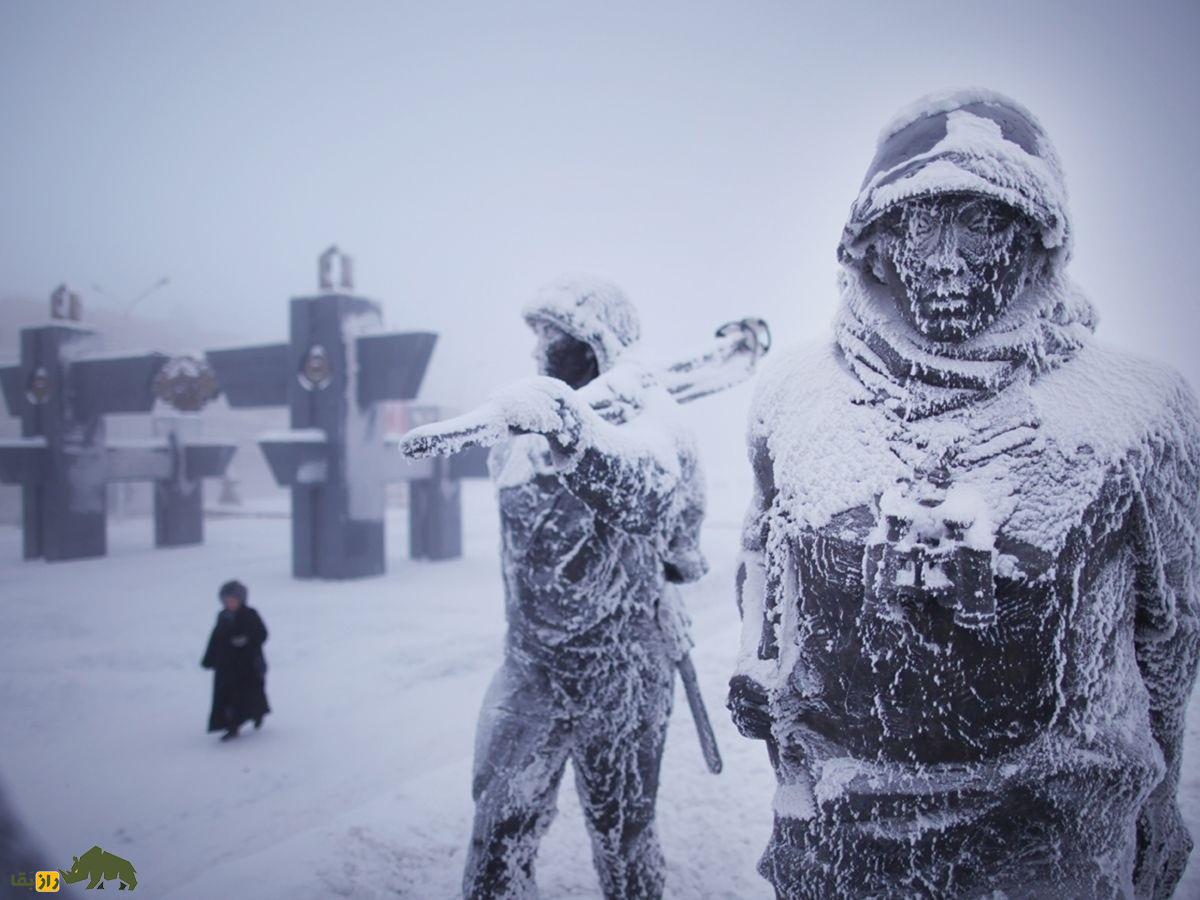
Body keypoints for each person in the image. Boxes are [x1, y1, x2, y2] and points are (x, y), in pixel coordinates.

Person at [728, 89, 1200, 898]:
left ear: (1034, 237)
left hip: (1054, 848)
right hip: (839, 844)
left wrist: (1157, 799)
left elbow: (1172, 636)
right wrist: (761, 676)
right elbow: (764, 566)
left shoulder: (1139, 413)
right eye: (921, 223)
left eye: (980, 223)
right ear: (877, 241)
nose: (947, 259)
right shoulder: (793, 396)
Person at [452, 277, 706, 899]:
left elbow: (666, 521)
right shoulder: (517, 435)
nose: (544, 351)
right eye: (541, 339)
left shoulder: (656, 424)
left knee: (625, 841)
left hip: (625, 673)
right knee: (497, 839)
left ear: (599, 342)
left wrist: (581, 435)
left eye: (558, 338)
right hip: (531, 667)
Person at [202, 580, 270, 742]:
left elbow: (262, 634)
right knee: (227, 697)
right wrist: (209, 658)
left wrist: (246, 640)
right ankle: (232, 727)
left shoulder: (250, 614)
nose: (230, 604)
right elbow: (215, 638)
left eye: (233, 600)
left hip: (248, 665)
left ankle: (257, 714)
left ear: (241, 599)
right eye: (227, 601)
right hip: (226, 666)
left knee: (250, 694)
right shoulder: (223, 616)